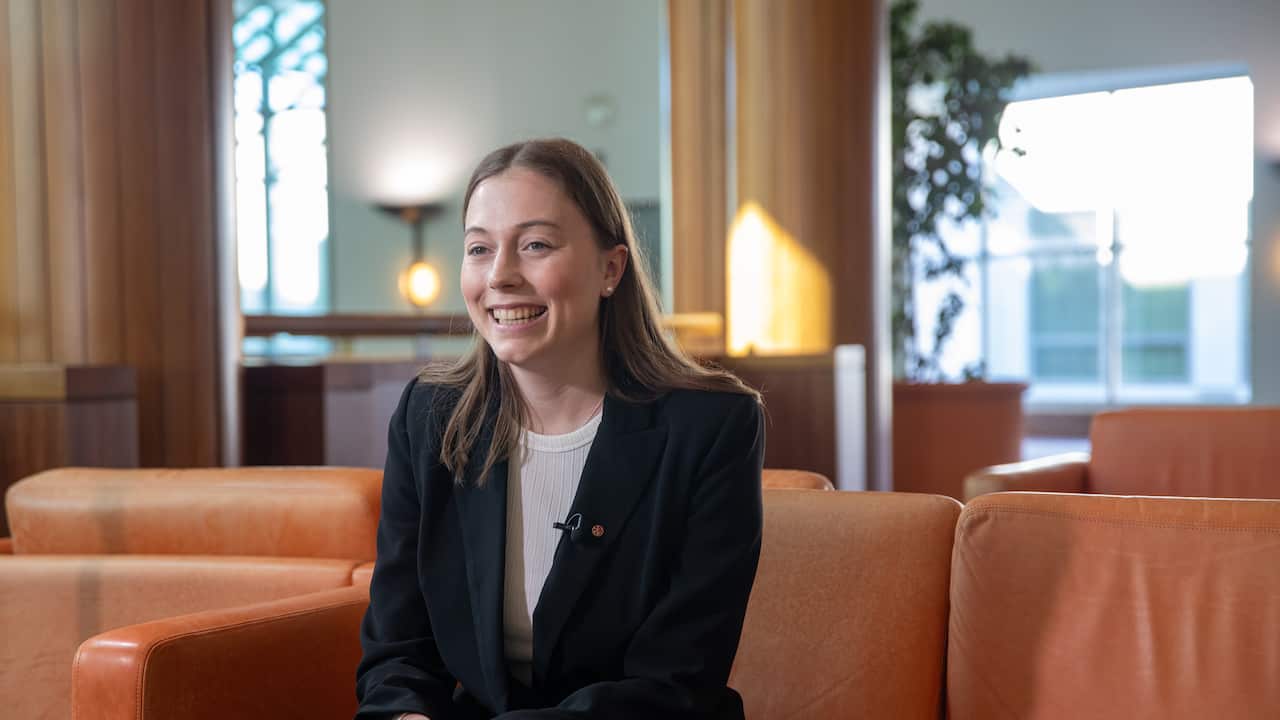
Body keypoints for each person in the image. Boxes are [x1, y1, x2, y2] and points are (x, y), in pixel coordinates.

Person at [355, 138, 764, 720]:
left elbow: (677, 680)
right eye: (479, 248)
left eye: (535, 245)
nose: (500, 276)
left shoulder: (711, 428)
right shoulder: (430, 417)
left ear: (610, 268)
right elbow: (398, 655)